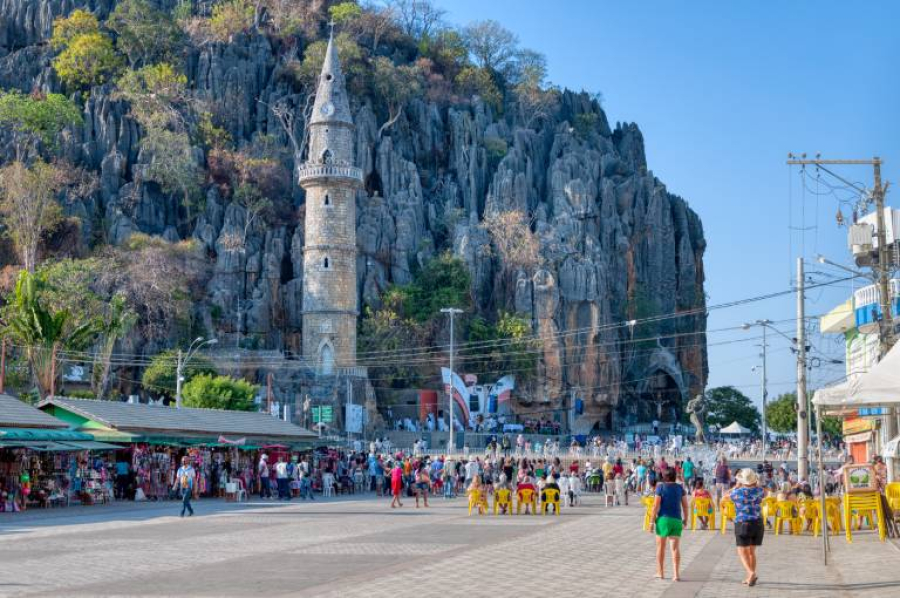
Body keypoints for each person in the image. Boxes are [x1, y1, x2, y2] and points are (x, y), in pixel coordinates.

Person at [729, 469, 765, 586]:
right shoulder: (759, 491)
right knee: (751, 552)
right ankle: (750, 577)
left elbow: (728, 495)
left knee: (741, 550)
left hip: (743, 523)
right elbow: (763, 491)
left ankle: (750, 572)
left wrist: (737, 485)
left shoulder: (737, 492)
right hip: (758, 523)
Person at [651, 468, 688, 582]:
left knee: (661, 547)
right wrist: (685, 520)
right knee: (675, 548)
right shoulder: (680, 488)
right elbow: (685, 506)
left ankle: (660, 572)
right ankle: (676, 575)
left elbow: (656, 506)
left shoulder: (660, 487)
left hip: (663, 520)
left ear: (665, 476)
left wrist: (652, 521)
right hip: (677, 520)